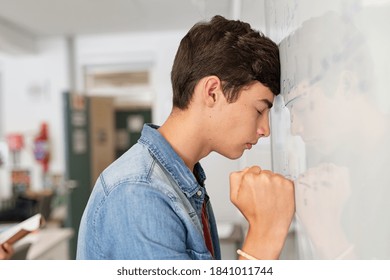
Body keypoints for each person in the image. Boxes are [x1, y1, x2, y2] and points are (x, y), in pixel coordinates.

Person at [76, 15, 295, 260]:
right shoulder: (139, 192)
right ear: (212, 92)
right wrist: (264, 233)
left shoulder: (183, 180)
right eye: (259, 110)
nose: (265, 129)